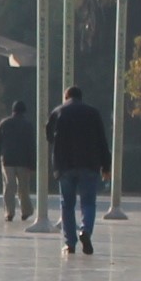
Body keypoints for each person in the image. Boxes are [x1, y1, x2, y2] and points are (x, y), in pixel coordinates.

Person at [45, 84, 107, 251]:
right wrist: (106, 166)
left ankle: (70, 242)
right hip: (89, 164)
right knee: (88, 202)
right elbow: (102, 140)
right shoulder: (93, 113)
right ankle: (85, 230)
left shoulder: (58, 112)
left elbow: (49, 136)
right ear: (81, 97)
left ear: (66, 97)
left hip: (65, 165)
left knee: (67, 204)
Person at [0, 96, 37, 225]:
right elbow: (31, 146)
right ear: (24, 111)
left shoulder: (4, 123)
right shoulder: (28, 125)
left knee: (8, 187)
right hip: (23, 161)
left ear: (13, 111)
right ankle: (26, 211)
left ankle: (9, 213)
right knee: (23, 188)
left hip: (7, 160)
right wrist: (32, 163)